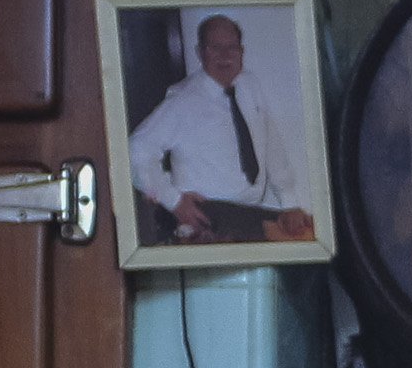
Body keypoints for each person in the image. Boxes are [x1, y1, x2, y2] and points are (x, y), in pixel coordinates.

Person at [127, 14, 314, 245]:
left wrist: (290, 203)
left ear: (241, 52)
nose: (225, 56)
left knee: (311, 233)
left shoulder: (249, 86)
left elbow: (270, 144)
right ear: (200, 52)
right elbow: (134, 151)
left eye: (231, 48)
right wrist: (174, 201)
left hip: (247, 215)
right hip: (208, 219)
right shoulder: (183, 100)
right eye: (215, 47)